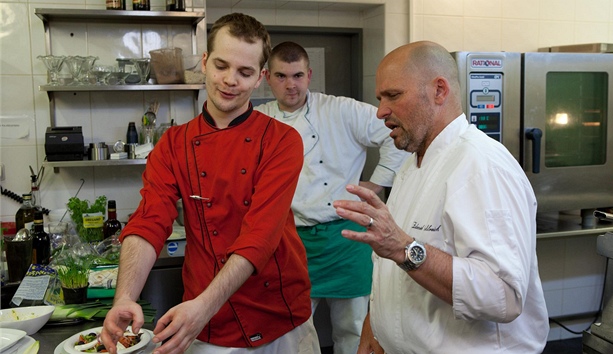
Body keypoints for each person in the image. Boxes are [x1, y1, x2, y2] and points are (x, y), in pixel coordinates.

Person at [101, 13, 320, 354]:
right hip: (208, 325)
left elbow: (259, 236)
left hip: (280, 318)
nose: (230, 80)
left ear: (261, 77)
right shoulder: (173, 144)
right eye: (221, 65)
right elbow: (148, 223)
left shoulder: (281, 140)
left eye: (245, 72)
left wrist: (203, 306)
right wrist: (125, 296)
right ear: (204, 63)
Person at [332, 41, 549, 353]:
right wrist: (374, 325)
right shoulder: (412, 165)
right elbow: (396, 272)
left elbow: (503, 296)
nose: (381, 111)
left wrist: (404, 248)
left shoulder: (481, 166)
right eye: (380, 98)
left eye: (393, 95)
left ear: (439, 91)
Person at [254, 41, 408, 354]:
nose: (291, 85)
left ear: (309, 75)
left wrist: (377, 183)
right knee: (293, 331)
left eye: (297, 75)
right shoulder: (258, 120)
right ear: (267, 77)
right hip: (290, 241)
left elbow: (395, 134)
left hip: (346, 239)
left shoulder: (342, 109)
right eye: (281, 76)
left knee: (353, 329)